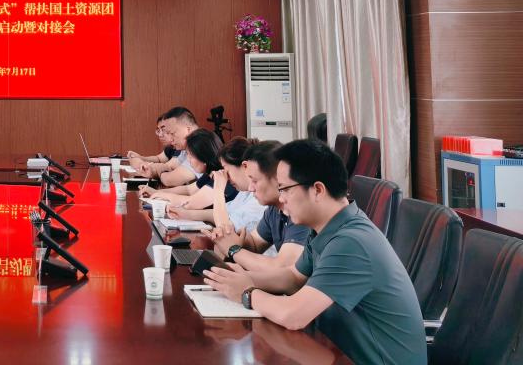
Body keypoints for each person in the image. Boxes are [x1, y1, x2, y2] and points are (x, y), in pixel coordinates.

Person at [204, 139, 426, 365]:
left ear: (317, 190)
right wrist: (242, 278)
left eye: (285, 189)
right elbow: (294, 277)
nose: (281, 198)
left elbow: (294, 315)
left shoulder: (351, 242)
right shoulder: (326, 228)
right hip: (335, 352)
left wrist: (247, 293)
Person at [207, 140, 311, 271]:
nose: (251, 188)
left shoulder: (301, 211)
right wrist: (230, 238)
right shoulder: (274, 209)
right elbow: (255, 244)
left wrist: (233, 249)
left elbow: (283, 267)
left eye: (255, 181)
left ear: (278, 178)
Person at [142, 129, 237, 212]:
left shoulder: (222, 177)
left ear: (203, 156)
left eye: (190, 155)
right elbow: (188, 189)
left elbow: (191, 203)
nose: (188, 160)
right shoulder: (210, 173)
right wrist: (156, 192)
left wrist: (162, 195)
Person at [133, 106, 199, 186]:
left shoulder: (200, 146)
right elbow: (169, 167)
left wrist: (156, 171)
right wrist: (152, 169)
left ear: (188, 130)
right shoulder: (187, 147)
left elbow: (170, 180)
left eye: (172, 133)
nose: (170, 139)